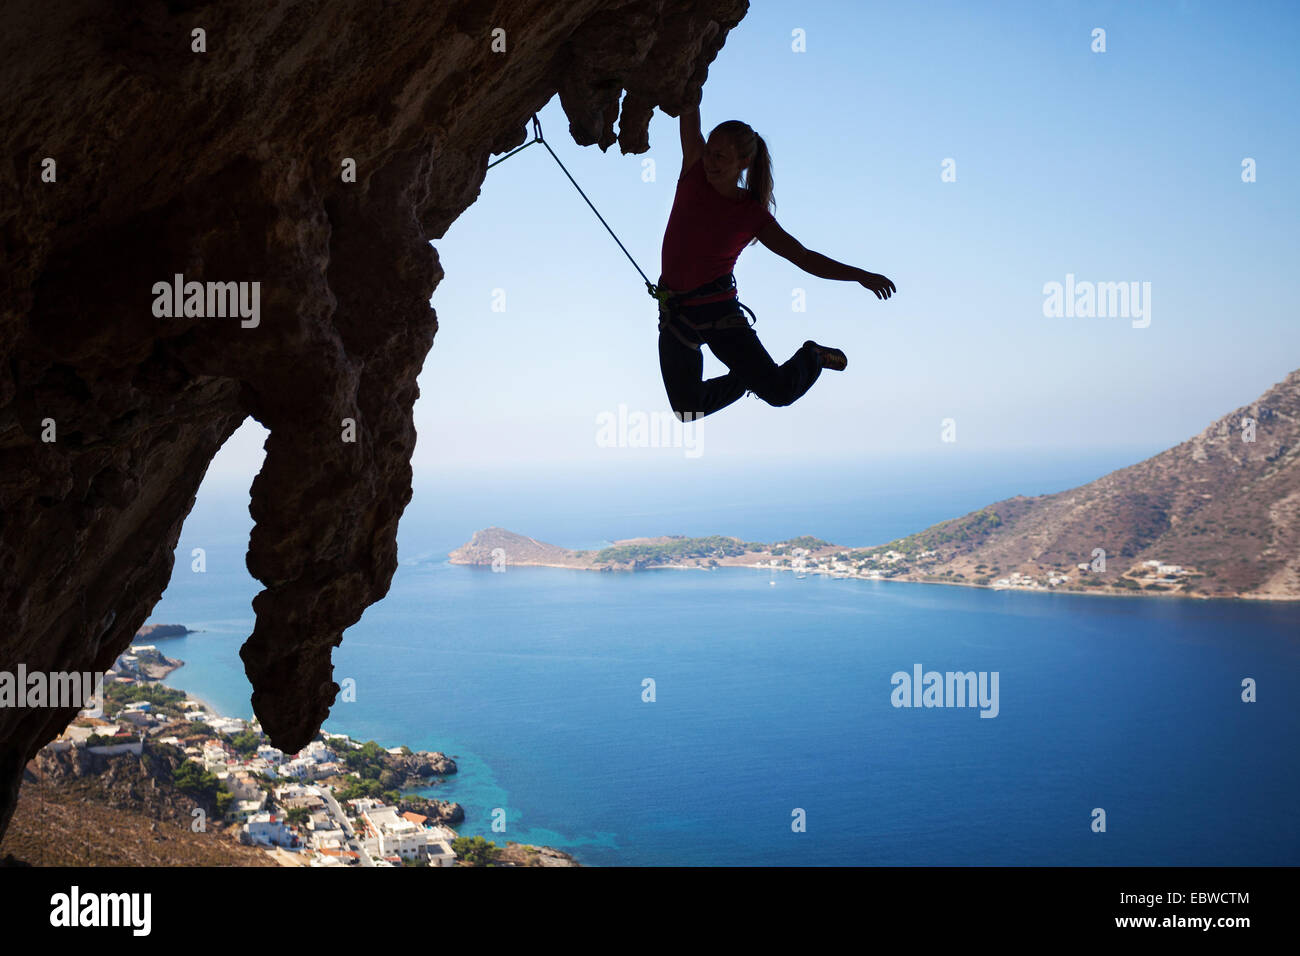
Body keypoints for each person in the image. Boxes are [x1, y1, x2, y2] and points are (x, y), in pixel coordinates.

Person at [656, 102, 896, 422]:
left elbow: (804, 257)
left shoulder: (751, 215)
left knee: (780, 393)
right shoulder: (693, 170)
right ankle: (746, 378)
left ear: (743, 162)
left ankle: (812, 356)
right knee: (687, 409)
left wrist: (860, 275)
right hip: (676, 312)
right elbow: (689, 105)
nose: (710, 162)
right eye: (710, 151)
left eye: (720, 157)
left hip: (718, 313)